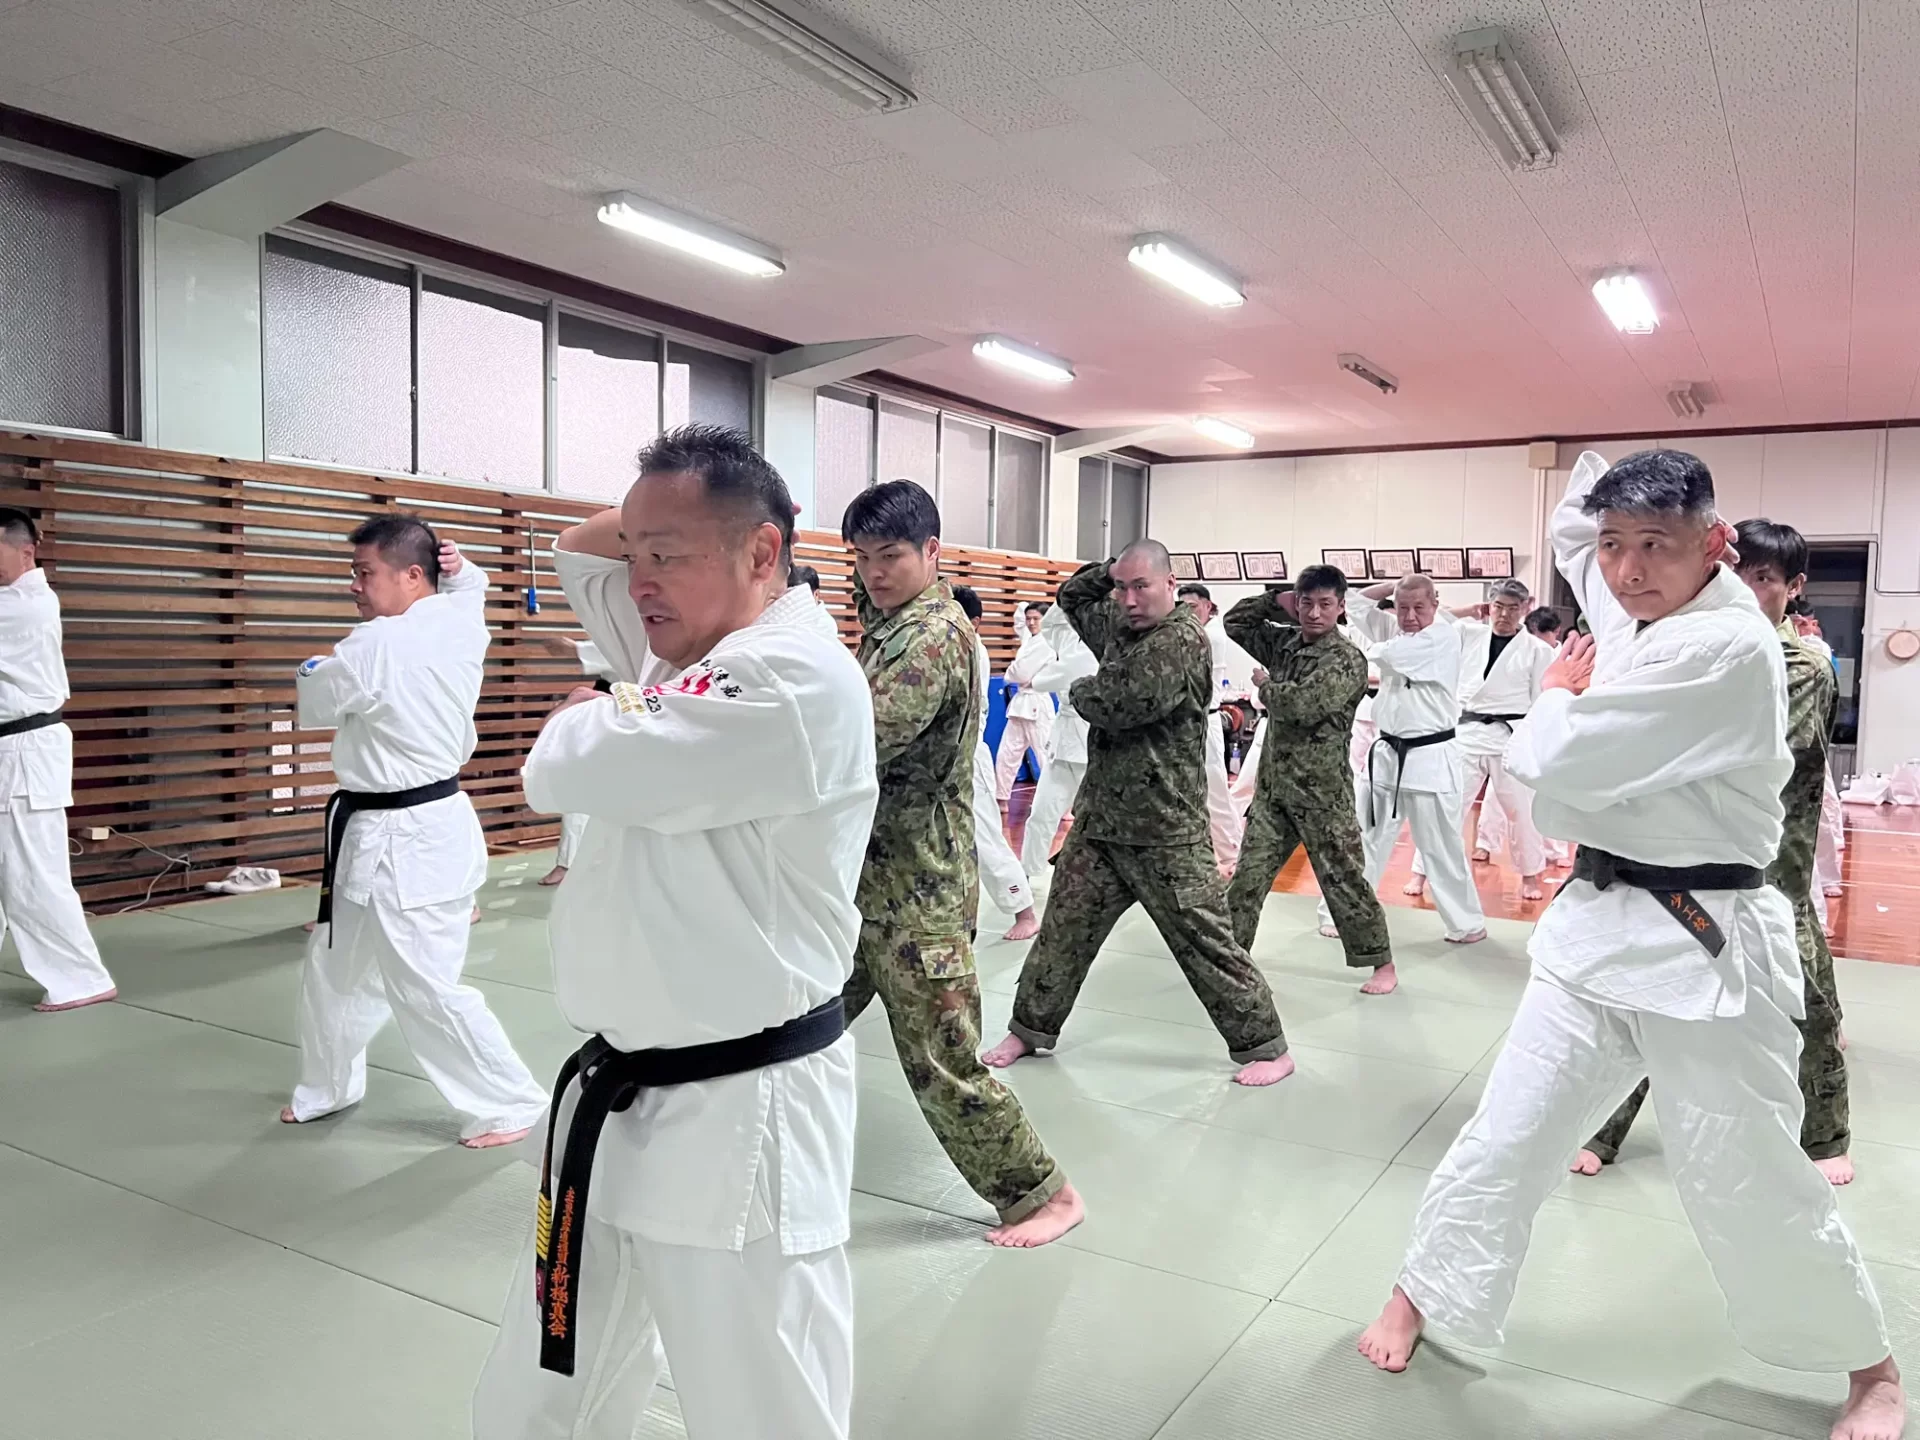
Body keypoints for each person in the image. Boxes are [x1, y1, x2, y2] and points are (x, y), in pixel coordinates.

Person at [1357, 451, 1903, 1440]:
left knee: (1745, 1174)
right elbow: (1577, 518)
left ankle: (1872, 1368)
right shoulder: (1632, 605)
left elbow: (1558, 763)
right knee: (1508, 1132)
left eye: (1656, 545)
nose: (1626, 569)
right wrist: (1600, 513)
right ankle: (1422, 1290)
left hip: (1704, 944)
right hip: (1592, 930)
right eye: (1614, 546)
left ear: (1715, 544)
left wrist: (1557, 692)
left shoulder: (1725, 646)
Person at [473, 426, 870, 1440]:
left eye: (668, 555)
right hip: (617, 1100)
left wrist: (593, 710)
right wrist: (670, 521)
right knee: (543, 1387)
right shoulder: (683, 643)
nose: (638, 580)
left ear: (763, 552)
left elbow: (564, 766)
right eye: (637, 553)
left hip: (742, 1115)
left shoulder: (792, 675)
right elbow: (579, 547)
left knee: (762, 1407)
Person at [1571, 516, 1856, 1187]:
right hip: (1679, 861)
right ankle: (1604, 1127)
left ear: (1793, 588)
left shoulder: (1799, 665)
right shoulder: (1683, 645)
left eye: (1764, 579)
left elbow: (1722, 748)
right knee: (1644, 990)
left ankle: (1824, 1135)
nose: (1747, 591)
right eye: (1736, 575)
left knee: (1802, 998)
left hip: (1771, 868)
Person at [841, 480, 1082, 1248]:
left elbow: (857, 743)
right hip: (861, 880)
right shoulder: (890, 621)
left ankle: (1043, 1194)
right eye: (862, 558)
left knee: (942, 1060)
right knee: (792, 1023)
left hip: (919, 894)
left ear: (931, 551)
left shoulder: (933, 637)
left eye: (889, 556)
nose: (874, 572)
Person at [981, 542, 1293, 1086]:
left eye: (1141, 586)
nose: (1127, 599)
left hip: (1165, 829)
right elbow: (1073, 595)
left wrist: (1077, 686)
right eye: (1121, 587)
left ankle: (1266, 1045)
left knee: (1206, 941)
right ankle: (1029, 1028)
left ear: (1170, 585)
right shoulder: (1119, 623)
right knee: (1063, 931)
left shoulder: (1181, 639)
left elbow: (1117, 702)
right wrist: (1112, 569)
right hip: (1101, 823)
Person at [282, 516, 548, 1145]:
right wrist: (465, 570)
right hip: (400, 826)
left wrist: (313, 666)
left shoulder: (375, 645)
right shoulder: (458, 622)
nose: (354, 585)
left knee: (424, 984)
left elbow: (315, 703)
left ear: (410, 575)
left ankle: (512, 1101)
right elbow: (472, 588)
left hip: (406, 839)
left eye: (364, 572)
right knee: (334, 969)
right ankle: (328, 1085)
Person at [1222, 568, 1396, 989]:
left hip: (1323, 794)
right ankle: (1228, 960)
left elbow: (1303, 706)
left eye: (1325, 604)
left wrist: (1265, 687)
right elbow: (1235, 622)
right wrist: (1277, 599)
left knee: (1344, 880)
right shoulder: (1284, 643)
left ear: (1341, 608)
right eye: (1306, 603)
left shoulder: (1346, 658)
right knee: (1247, 880)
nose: (1315, 613)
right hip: (1274, 792)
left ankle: (1381, 963)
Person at [1328, 574, 1488, 957]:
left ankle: (1467, 923)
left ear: (1436, 605)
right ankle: (1343, 915)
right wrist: (1391, 588)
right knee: (1364, 838)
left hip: (1430, 757)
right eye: (1402, 608)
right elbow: (1354, 604)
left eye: (1419, 608)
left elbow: (1379, 654)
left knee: (1440, 846)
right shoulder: (1396, 628)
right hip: (1387, 754)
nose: (1410, 616)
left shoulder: (1441, 636)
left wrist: (1396, 605)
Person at [0, 508, 118, 1012]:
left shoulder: (27, 605)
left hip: (24, 755)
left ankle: (80, 978)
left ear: (27, 551)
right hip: (12, 750)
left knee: (34, 874)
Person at [1407, 579, 1554, 901]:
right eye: (1498, 606)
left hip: (1510, 737)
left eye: (1513, 608)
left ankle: (1530, 876)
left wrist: (1535, 745)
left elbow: (1540, 701)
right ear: (1489, 606)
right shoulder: (1467, 633)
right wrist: (1467, 610)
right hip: (1467, 733)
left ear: (1525, 608)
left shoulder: (1539, 650)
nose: (1504, 614)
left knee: (1521, 813)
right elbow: (1434, 621)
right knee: (1445, 808)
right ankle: (1420, 872)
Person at [951, 585, 1042, 941]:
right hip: (944, 759)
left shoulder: (971, 648)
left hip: (966, 756)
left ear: (973, 621)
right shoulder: (952, 644)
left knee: (984, 835)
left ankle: (1025, 910)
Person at [1176, 582, 1253, 875]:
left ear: (1208, 606)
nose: (1187, 613)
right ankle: (1214, 849)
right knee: (1198, 791)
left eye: (1193, 607)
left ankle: (1232, 854)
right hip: (1190, 722)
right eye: (1182, 607)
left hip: (1204, 722)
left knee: (1215, 790)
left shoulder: (1212, 635)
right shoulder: (1196, 631)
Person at [1019, 602, 1097, 880]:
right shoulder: (1070, 638)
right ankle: (1029, 873)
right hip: (1063, 743)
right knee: (1041, 814)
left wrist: (1038, 678)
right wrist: (1069, 596)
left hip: (1092, 744)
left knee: (1099, 822)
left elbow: (1044, 680)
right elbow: (1050, 625)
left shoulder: (1097, 646)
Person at [540, 637, 617, 887]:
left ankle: (576, 863)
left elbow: (628, 650)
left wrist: (576, 649)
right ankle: (569, 862)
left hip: (632, 710)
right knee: (578, 785)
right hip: (608, 707)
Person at [993, 601, 1055, 801]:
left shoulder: (1046, 641)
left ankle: (1060, 805)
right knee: (1007, 754)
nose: (1031, 622)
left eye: (1036, 619)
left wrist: (1011, 672)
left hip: (1038, 704)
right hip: (1020, 705)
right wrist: (1024, 606)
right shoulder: (1030, 639)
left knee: (1046, 756)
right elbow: (1019, 619)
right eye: (1029, 619)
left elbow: (1020, 673)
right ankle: (1001, 798)